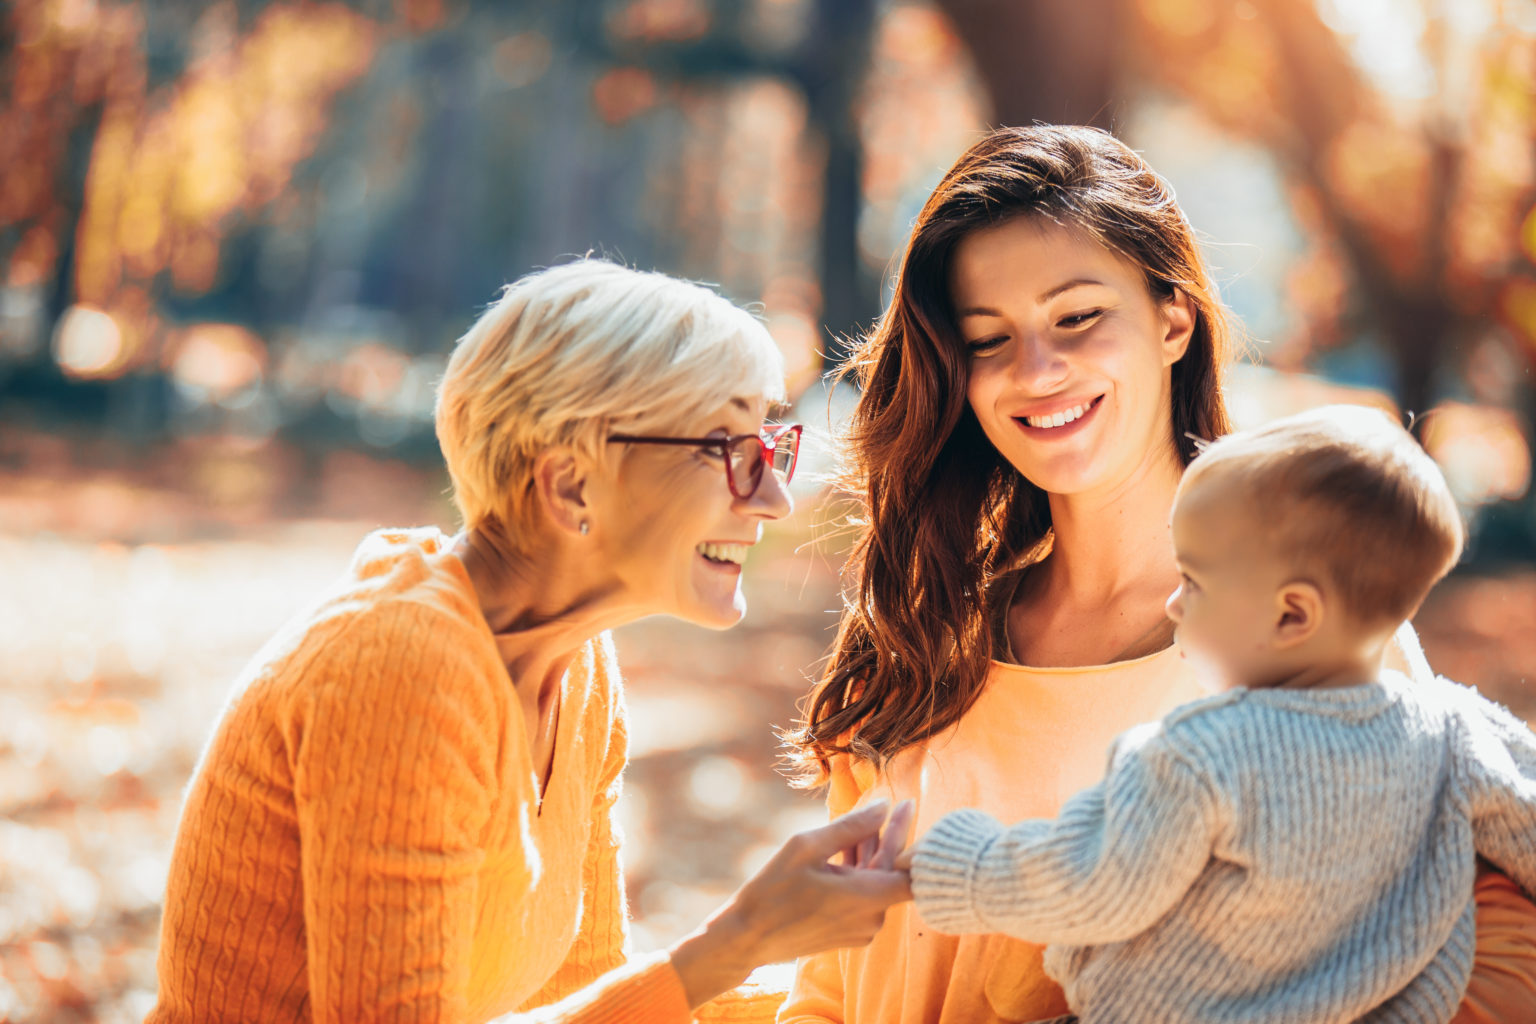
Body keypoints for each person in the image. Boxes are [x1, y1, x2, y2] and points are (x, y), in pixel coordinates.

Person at [779, 125, 1536, 1024]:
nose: (1035, 370)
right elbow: (832, 983)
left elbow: (1467, 944)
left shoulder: (1305, 632)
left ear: (1172, 320)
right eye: (989, 338)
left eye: (1076, 317)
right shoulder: (929, 629)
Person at [146, 259, 913, 1024]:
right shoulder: (402, 669)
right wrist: (736, 944)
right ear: (572, 484)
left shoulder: (577, 668)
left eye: (770, 445)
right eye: (727, 449)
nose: (775, 498)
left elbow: (588, 1000)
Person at [901, 405, 1536, 1023]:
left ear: (1292, 614)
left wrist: (947, 864)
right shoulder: (1454, 729)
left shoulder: (1204, 753)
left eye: (1195, 581)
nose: (1174, 603)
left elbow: (1094, 881)